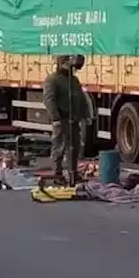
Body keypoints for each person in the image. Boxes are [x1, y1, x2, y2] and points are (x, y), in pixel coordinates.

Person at [42, 54, 90, 184]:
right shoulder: (52, 80)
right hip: (61, 118)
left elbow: (81, 97)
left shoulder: (73, 80)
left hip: (74, 119)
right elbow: (49, 100)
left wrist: (85, 115)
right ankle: (57, 174)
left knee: (74, 147)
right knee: (59, 147)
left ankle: (73, 173)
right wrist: (55, 118)